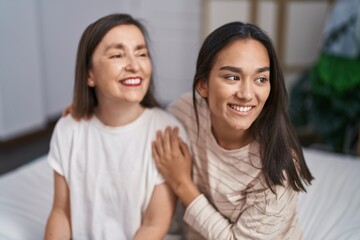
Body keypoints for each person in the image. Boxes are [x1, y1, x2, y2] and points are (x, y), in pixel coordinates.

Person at [152, 21, 314, 240]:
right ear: (203, 85)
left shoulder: (278, 168)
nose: (247, 94)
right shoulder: (185, 113)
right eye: (232, 77)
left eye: (260, 79)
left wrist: (182, 184)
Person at [44, 13, 187, 240]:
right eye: (118, 55)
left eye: (141, 53)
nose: (134, 65)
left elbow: (153, 225)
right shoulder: (68, 128)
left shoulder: (167, 131)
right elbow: (61, 212)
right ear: (90, 74)